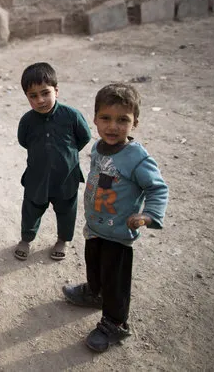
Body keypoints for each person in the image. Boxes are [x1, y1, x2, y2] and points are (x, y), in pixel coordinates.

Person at [62, 83, 169, 352]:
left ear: (135, 122)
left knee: (115, 279)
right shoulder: (99, 147)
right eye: (106, 118)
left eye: (123, 120)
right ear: (95, 118)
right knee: (94, 264)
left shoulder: (137, 158)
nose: (113, 126)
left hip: (119, 234)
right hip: (96, 226)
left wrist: (147, 215)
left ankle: (115, 323)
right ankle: (94, 293)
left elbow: (157, 188)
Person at [14, 62, 91, 261]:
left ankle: (62, 240)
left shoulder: (71, 116)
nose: (40, 100)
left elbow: (84, 137)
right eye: (33, 96)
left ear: (56, 90)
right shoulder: (27, 121)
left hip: (66, 177)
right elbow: (24, 141)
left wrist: (65, 156)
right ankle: (26, 239)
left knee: (66, 210)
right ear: (27, 97)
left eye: (45, 93)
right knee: (31, 209)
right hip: (36, 177)